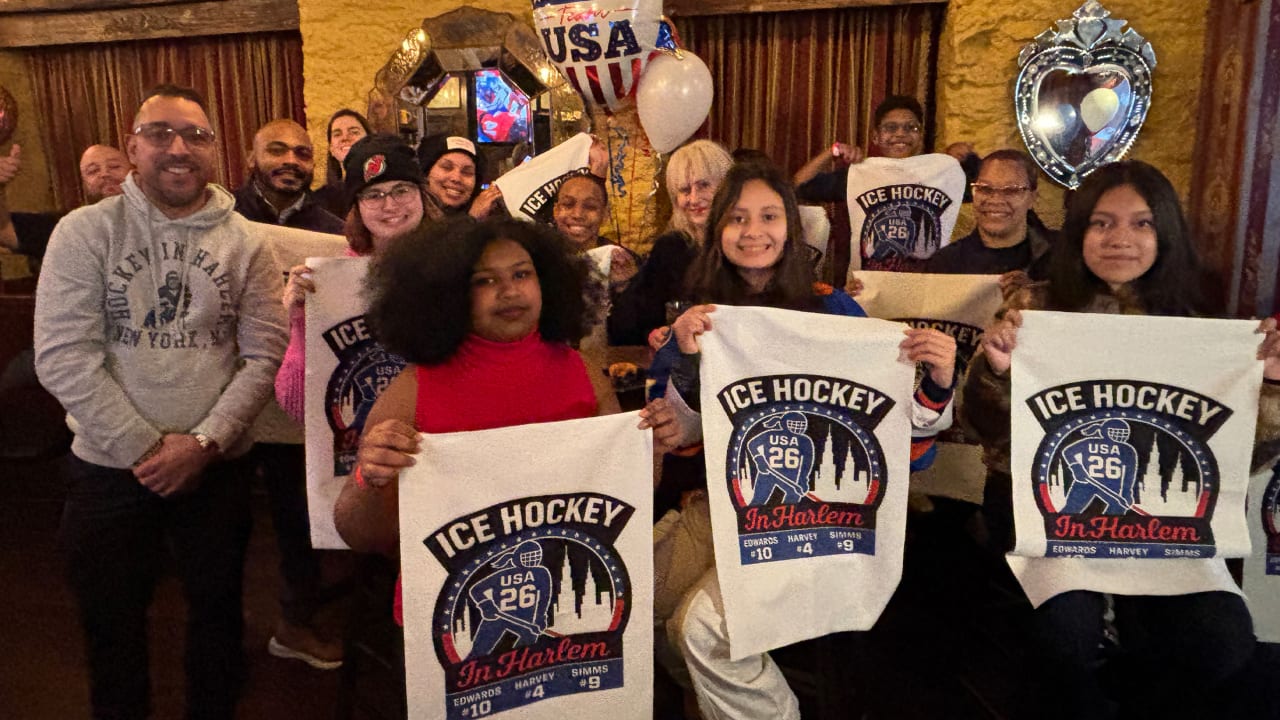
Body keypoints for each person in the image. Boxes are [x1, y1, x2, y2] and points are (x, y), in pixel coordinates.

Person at [961, 160, 1280, 719]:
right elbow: (983, 429)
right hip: (1051, 517)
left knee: (1223, 642)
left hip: (1166, 529)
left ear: (1166, 235)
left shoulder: (1200, 325)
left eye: (1141, 224)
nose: (1120, 240)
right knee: (1066, 635)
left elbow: (1242, 458)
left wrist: (1271, 385)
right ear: (1079, 231)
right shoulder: (1032, 308)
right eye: (1102, 223)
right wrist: (996, 373)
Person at [639, 161, 957, 720]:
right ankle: (714, 699)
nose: (753, 231)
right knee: (633, 603)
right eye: (737, 218)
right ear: (717, 230)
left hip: (815, 521)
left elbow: (901, 437)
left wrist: (935, 383)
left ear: (791, 226)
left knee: (697, 629)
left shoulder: (832, 307)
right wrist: (685, 364)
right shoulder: (700, 315)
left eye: (769, 216)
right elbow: (682, 431)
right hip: (722, 507)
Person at [33, 84, 289, 720]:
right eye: (160, 133)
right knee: (111, 625)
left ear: (217, 150)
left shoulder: (248, 243)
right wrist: (151, 450)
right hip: (107, 467)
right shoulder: (84, 232)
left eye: (196, 136)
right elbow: (63, 355)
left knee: (218, 620)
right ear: (133, 146)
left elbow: (264, 355)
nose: (178, 148)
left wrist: (201, 445)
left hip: (216, 465)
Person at [330, 216, 621, 626]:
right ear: (449, 295)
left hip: (568, 613)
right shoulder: (413, 390)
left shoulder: (583, 372)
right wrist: (370, 477)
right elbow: (360, 534)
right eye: (485, 281)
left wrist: (655, 444)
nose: (509, 290)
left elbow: (631, 488)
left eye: (522, 273)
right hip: (451, 615)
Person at [794, 95, 965, 272]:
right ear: (875, 137)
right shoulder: (860, 175)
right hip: (869, 288)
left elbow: (985, 188)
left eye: (911, 127)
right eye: (890, 127)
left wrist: (967, 160)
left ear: (921, 135)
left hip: (924, 286)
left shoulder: (941, 174)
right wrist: (833, 151)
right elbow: (798, 187)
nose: (900, 133)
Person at [607, 139, 734, 346]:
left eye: (703, 185)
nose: (694, 199)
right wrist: (653, 334)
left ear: (727, 187)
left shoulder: (750, 244)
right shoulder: (671, 247)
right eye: (684, 190)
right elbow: (628, 324)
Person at [926, 149, 1054, 279]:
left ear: (1032, 198)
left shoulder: (1061, 255)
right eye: (985, 189)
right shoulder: (945, 265)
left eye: (1011, 190)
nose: (996, 200)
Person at [1, 143, 131, 260]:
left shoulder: (150, 218)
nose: (104, 174)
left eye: (114, 166)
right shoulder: (66, 228)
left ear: (134, 172)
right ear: (84, 186)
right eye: (93, 171)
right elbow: (4, 229)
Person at [234, 118, 343, 234]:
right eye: (277, 150)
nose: (291, 160)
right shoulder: (224, 217)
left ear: (313, 164)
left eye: (303, 154)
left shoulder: (333, 232)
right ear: (251, 159)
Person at [552, 172, 639, 293]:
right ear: (556, 211)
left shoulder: (625, 261)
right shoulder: (536, 257)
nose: (578, 215)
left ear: (605, 215)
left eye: (590, 207)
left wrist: (626, 285)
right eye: (568, 204)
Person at [415, 133, 504, 220]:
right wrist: (472, 219)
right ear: (426, 173)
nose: (456, 178)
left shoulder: (489, 214)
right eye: (446, 167)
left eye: (467, 172)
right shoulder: (408, 213)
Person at [312, 108, 371, 218]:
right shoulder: (318, 201)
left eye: (354, 132)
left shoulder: (388, 187)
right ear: (331, 149)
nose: (345, 138)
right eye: (337, 134)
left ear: (370, 141)